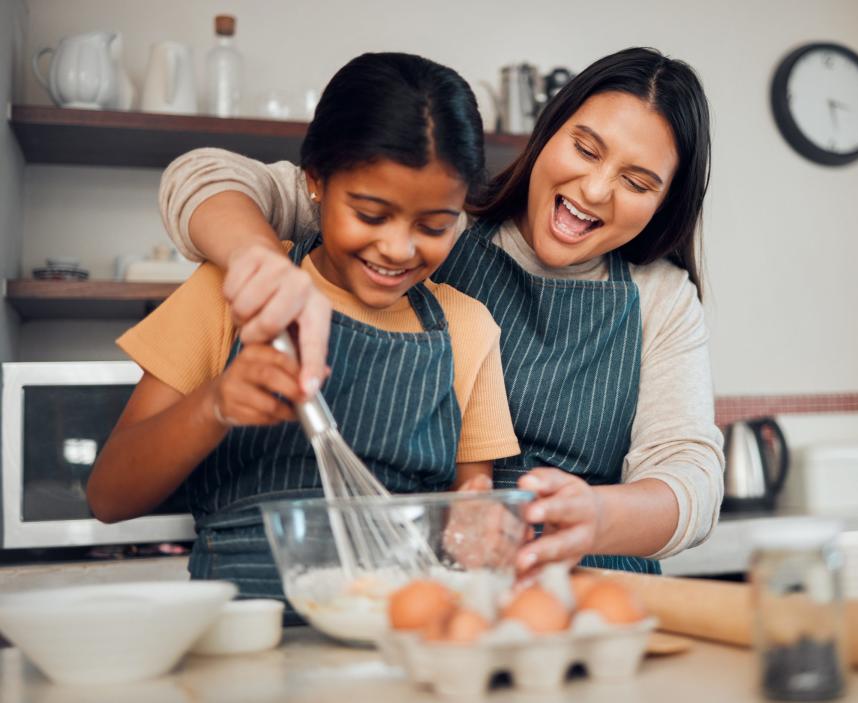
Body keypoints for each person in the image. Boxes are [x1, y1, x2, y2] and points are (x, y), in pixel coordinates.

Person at [156, 47, 725, 575]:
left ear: (664, 201)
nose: (597, 190)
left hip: (590, 585)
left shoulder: (661, 297)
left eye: (636, 182)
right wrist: (260, 261)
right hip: (433, 583)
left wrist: (595, 517)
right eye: (585, 148)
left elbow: (690, 479)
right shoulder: (433, 222)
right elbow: (204, 176)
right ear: (547, 132)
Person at [87, 52, 521, 610]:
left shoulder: (467, 326)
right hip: (245, 631)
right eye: (369, 215)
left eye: (434, 226)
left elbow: (471, 495)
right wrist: (214, 404)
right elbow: (109, 496)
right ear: (315, 181)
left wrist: (479, 515)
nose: (398, 248)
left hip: (394, 638)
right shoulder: (236, 290)